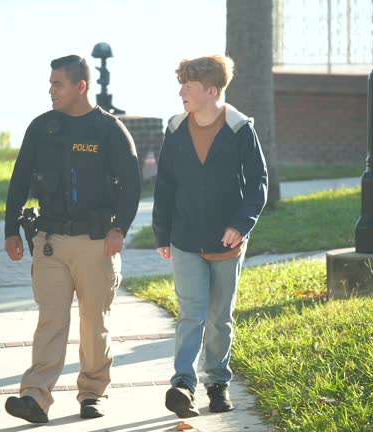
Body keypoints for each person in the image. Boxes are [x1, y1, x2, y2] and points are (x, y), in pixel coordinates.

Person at [3, 55, 141, 424]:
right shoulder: (42, 128)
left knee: (94, 323)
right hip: (48, 241)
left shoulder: (109, 130)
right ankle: (34, 396)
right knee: (51, 318)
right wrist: (9, 230)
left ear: (81, 87)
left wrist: (120, 229)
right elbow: (19, 180)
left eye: (58, 84)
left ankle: (92, 393)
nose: (50, 90)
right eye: (50, 83)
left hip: (96, 243)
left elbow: (132, 185)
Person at [152, 55, 268, 418]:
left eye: (188, 86)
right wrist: (162, 232)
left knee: (220, 316)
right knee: (192, 312)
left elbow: (259, 183)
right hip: (185, 237)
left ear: (211, 90)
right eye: (182, 84)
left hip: (226, 242)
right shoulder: (175, 129)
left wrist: (241, 224)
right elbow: (165, 184)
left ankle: (217, 384)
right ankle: (182, 385)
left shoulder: (239, 129)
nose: (181, 92)